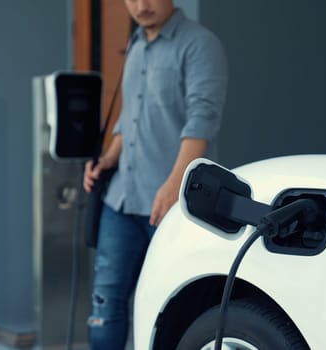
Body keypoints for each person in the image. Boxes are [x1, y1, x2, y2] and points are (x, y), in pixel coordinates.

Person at [83, 0, 228, 348]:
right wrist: (108, 159)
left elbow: (202, 120)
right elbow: (127, 118)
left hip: (169, 205)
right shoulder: (135, 45)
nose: (141, 5)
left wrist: (175, 182)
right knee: (106, 302)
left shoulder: (200, 44)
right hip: (121, 200)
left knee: (174, 300)